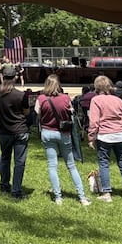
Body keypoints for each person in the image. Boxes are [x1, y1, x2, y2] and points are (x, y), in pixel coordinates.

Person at [35, 75, 90, 206]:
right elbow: (71, 112)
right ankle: (82, 196)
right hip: (63, 133)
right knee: (71, 165)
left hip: (48, 132)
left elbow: (37, 113)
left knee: (52, 166)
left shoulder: (41, 99)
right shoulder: (65, 98)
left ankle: (58, 197)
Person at [88, 75, 122, 203]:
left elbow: (94, 121)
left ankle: (106, 193)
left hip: (104, 136)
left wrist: (91, 137)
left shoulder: (96, 100)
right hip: (121, 134)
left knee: (104, 164)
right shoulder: (119, 100)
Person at [0, 78, 29, 200]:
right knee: (19, 162)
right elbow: (26, 111)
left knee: (5, 159)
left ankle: (4, 185)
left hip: (4, 131)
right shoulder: (21, 95)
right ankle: (16, 190)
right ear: (15, 78)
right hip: (19, 130)